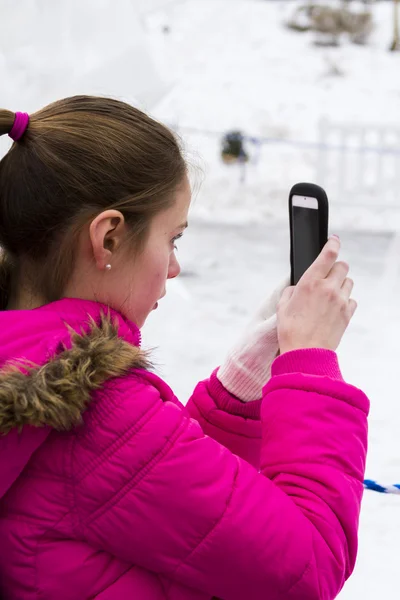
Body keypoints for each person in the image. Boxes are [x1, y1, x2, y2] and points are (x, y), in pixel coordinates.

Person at [0, 97, 368, 600]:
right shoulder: (98, 415)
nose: (173, 267)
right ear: (108, 238)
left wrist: (239, 385)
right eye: (172, 239)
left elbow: (148, 491)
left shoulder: (31, 367)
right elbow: (309, 568)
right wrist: (310, 367)